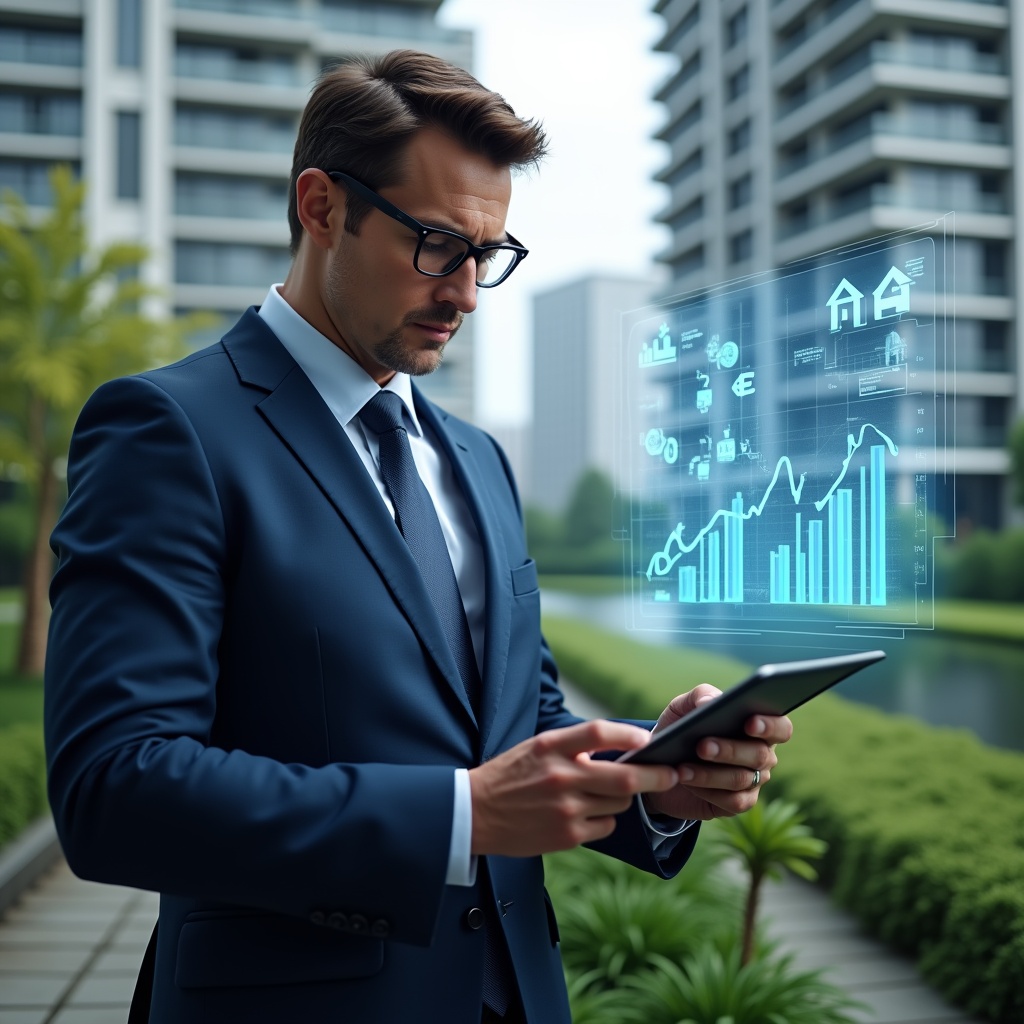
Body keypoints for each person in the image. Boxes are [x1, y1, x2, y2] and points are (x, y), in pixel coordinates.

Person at [44, 50, 792, 1024]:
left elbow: (515, 726)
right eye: (437, 245)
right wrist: (458, 815)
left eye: (488, 253)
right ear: (320, 207)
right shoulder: (166, 429)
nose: (468, 292)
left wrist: (654, 778)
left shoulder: (477, 458)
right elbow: (115, 786)